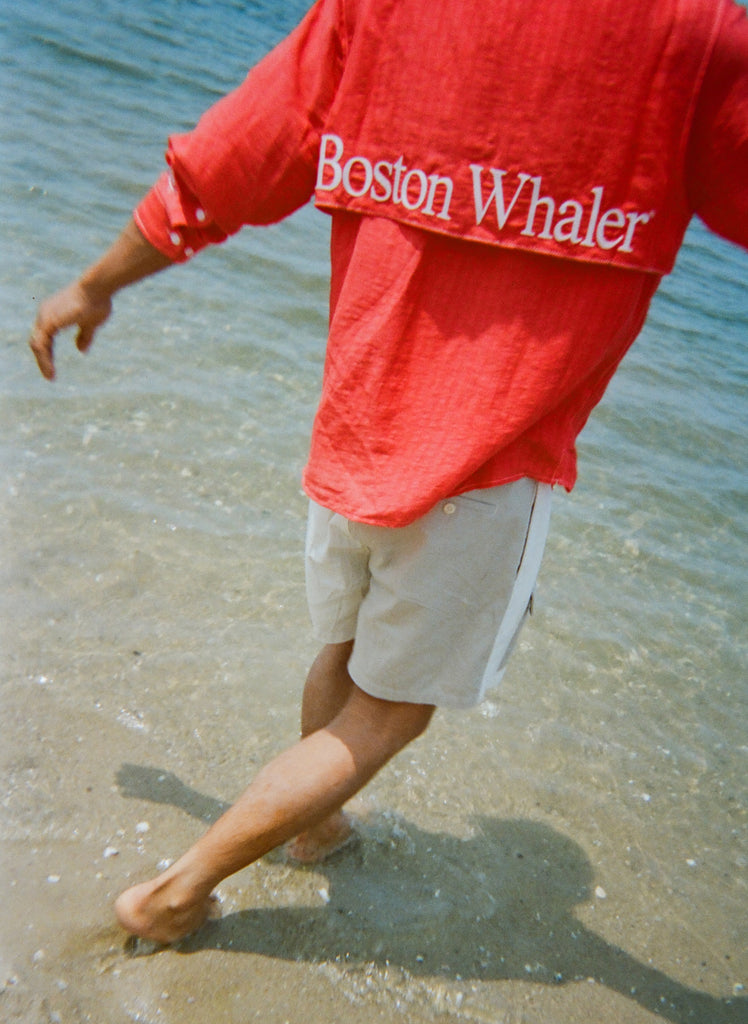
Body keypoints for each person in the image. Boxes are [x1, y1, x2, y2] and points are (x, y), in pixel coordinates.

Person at [29, 0, 748, 945]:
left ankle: (316, 825)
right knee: (391, 711)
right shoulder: (695, 39)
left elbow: (229, 163)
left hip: (355, 429)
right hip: (491, 462)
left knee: (343, 650)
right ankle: (175, 894)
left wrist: (98, 281)